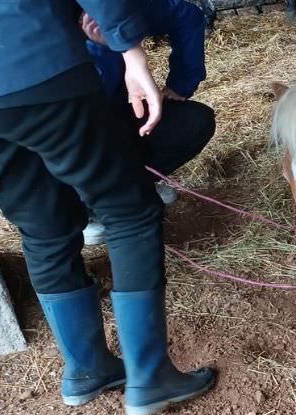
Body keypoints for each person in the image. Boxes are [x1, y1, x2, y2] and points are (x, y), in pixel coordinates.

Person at [0, 1, 216, 415]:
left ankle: (88, 369)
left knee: (41, 226)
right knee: (129, 210)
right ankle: (150, 375)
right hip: (31, 58)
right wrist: (130, 48)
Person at [80, 0, 216, 246]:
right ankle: (84, 208)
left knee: (195, 122)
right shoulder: (40, 25)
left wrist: (181, 83)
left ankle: (133, 187)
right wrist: (102, 47)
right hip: (71, 128)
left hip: (118, 113)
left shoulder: (116, 8)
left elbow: (186, 16)